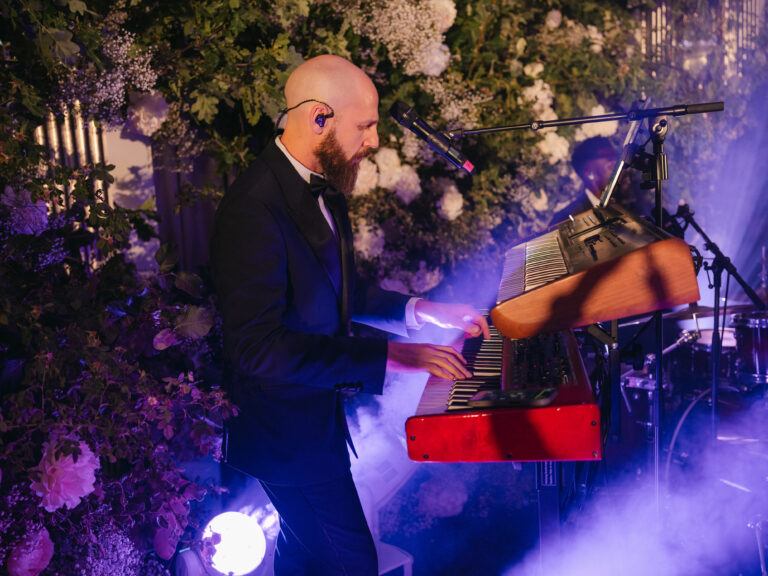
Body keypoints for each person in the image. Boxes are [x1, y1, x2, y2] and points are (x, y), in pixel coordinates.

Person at [209, 54, 489, 576]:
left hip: (313, 425)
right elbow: (258, 348)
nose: (375, 140)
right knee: (352, 563)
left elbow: (343, 292)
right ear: (319, 117)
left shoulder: (325, 186)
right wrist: (394, 357)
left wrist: (423, 310)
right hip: (284, 436)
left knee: (303, 560)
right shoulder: (253, 207)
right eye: (365, 126)